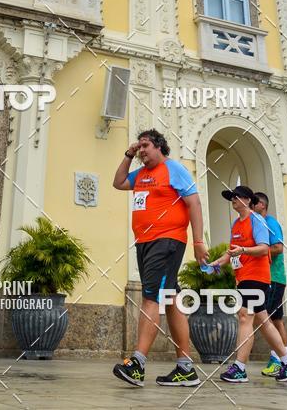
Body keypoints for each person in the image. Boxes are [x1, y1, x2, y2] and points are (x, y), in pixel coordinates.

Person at [111, 129, 208, 387]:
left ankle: (138, 364)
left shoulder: (173, 169)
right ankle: (186, 368)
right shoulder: (141, 174)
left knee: (151, 295)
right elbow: (118, 182)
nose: (141, 150)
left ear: (159, 147)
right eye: (139, 146)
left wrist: (198, 242)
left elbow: (194, 203)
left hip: (167, 241)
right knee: (170, 299)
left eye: (145, 146)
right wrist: (128, 155)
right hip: (145, 242)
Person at [214, 185, 287, 384]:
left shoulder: (257, 220)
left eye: (235, 197)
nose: (233, 200)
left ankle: (239, 368)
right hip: (243, 277)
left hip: (257, 276)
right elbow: (231, 252)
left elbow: (263, 249)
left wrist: (243, 250)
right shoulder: (236, 224)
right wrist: (216, 263)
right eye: (231, 198)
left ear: (246, 200)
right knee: (263, 321)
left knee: (245, 316)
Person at [252, 192, 287, 377]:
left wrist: (257, 253)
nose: (250, 206)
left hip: (274, 278)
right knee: (276, 320)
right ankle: (285, 359)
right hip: (269, 278)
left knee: (270, 319)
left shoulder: (271, 223)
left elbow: (278, 247)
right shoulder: (256, 223)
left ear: (262, 205)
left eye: (253, 203)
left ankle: (278, 360)